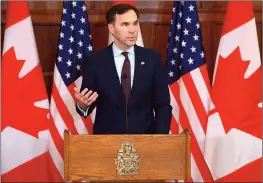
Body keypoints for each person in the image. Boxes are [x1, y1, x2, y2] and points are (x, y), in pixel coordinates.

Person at [74, 4, 172, 134]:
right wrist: (83, 106)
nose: (132, 30)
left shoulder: (152, 58)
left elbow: (163, 106)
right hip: (107, 142)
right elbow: (88, 102)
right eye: (125, 25)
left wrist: (160, 139)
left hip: (145, 140)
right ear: (111, 28)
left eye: (135, 23)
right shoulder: (95, 61)